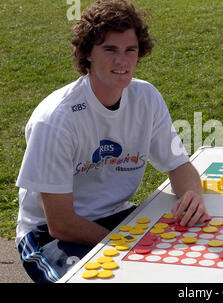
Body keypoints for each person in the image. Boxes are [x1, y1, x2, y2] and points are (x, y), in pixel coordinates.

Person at [15, 0, 207, 283]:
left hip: (119, 217)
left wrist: (193, 195)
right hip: (49, 235)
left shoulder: (146, 98)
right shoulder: (55, 119)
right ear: (87, 54)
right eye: (110, 50)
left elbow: (179, 166)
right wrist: (127, 247)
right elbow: (60, 223)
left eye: (131, 50)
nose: (122, 61)